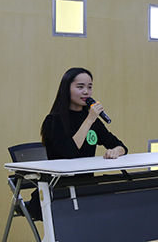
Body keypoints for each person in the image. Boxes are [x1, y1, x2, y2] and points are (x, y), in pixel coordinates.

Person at [29, 67, 128, 220]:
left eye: (90, 87)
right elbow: (69, 152)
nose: (86, 92)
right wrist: (89, 120)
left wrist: (116, 151)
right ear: (66, 90)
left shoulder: (92, 120)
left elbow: (121, 146)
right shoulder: (54, 121)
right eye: (80, 87)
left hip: (86, 187)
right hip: (59, 191)